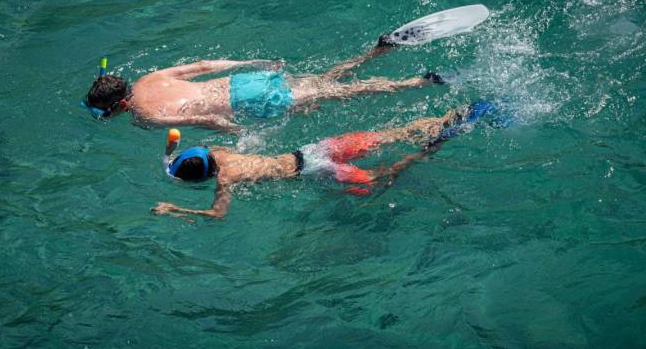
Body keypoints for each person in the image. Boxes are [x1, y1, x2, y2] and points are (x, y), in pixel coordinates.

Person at [151, 101, 500, 220]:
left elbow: (218, 215)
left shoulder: (226, 179)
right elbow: (190, 156)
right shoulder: (220, 153)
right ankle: (454, 116)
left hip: (318, 169)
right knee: (392, 134)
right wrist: (172, 158)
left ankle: (433, 146)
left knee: (383, 177)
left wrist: (176, 209)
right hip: (314, 148)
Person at [83, 35, 445, 132]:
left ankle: (416, 82)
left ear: (120, 106)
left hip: (249, 102)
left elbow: (206, 120)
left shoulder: (143, 116)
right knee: (319, 83)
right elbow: (205, 64)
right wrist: (251, 63)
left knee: (338, 93)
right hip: (245, 79)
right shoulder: (150, 79)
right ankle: (374, 53)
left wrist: (238, 135)